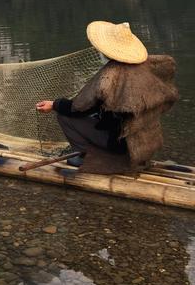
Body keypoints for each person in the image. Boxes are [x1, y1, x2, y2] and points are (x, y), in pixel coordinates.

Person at [36, 21, 178, 174]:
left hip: (120, 145)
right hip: (144, 143)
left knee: (64, 117)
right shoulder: (145, 69)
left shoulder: (110, 76)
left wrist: (55, 105)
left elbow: (79, 108)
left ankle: (86, 155)